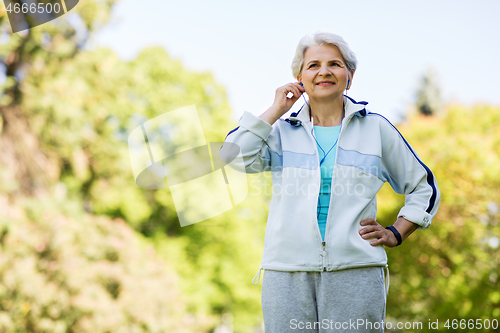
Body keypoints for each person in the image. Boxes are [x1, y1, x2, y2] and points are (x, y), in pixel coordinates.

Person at [220, 32, 440, 333]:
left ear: (349, 77)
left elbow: (422, 186)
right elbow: (232, 156)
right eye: (313, 65)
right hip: (286, 274)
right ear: (299, 78)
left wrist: (396, 232)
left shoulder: (376, 129)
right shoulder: (281, 132)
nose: (324, 71)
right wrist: (275, 110)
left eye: (334, 64)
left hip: (357, 272)